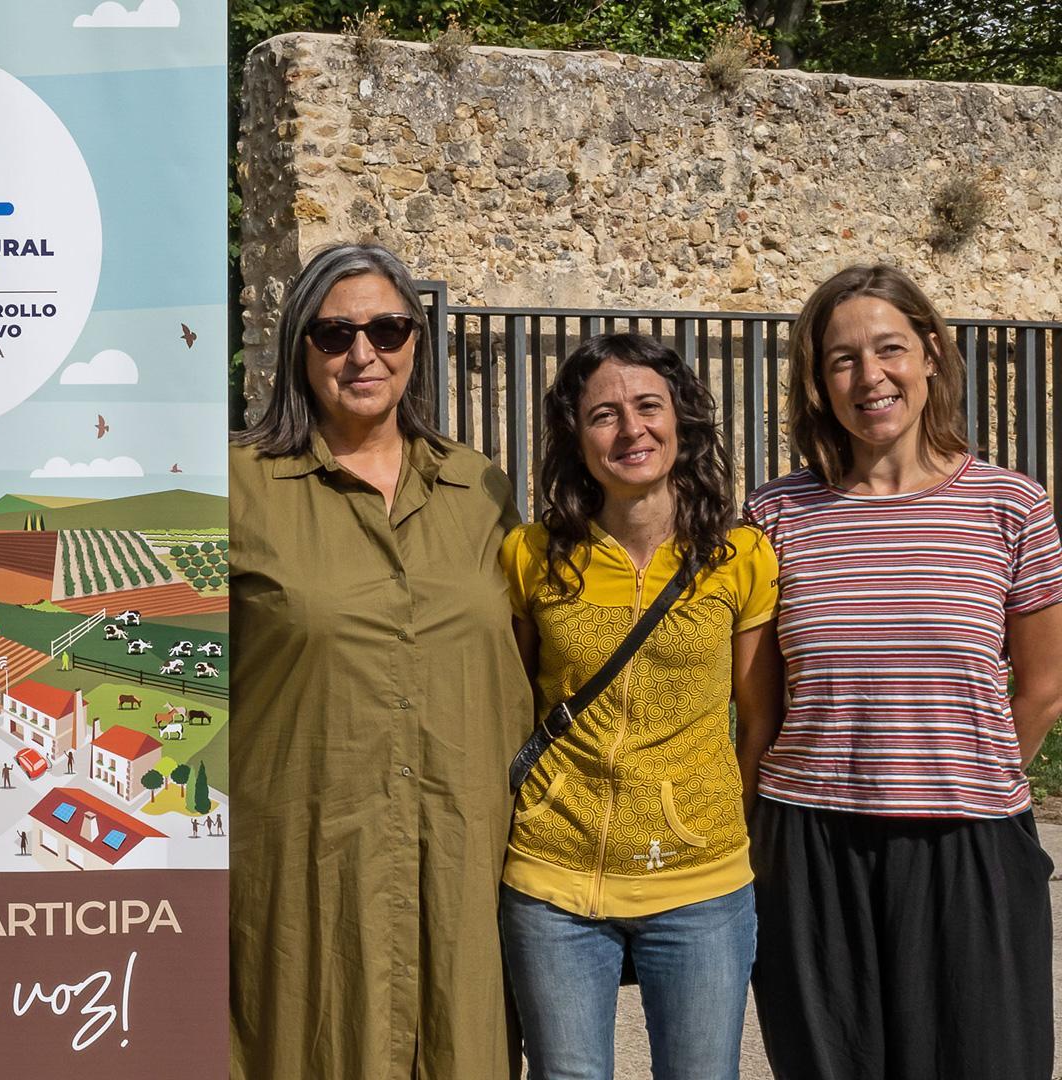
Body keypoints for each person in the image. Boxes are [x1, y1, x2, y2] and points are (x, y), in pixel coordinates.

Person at [745, 265, 1062, 1079]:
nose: (869, 376)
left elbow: (1042, 687)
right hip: (811, 845)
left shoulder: (1011, 506)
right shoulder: (775, 516)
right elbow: (760, 707)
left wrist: (961, 777)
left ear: (930, 354)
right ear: (818, 382)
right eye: (841, 359)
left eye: (889, 349)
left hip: (969, 846)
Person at [230, 242, 531, 1079]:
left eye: (387, 329)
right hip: (304, 866)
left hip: (460, 863)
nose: (364, 354)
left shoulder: (482, 492)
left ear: (415, 342)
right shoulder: (239, 488)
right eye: (334, 335)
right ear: (300, 349)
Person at [498, 334, 781, 1080]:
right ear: (576, 437)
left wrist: (711, 813)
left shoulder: (739, 557)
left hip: (700, 886)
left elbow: (758, 717)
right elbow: (511, 703)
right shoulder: (530, 556)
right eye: (604, 415)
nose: (631, 431)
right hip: (552, 881)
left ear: (681, 420)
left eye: (648, 406)